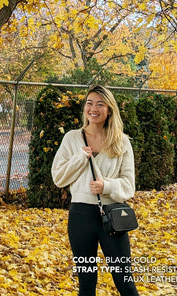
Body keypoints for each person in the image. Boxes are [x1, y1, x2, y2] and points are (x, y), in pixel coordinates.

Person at [51, 85, 139, 296]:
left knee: (124, 279)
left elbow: (129, 185)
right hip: (81, 217)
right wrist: (80, 158)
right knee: (86, 281)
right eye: (89, 103)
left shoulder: (122, 141)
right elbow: (58, 177)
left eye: (100, 104)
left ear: (109, 110)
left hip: (113, 217)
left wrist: (106, 186)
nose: (94, 108)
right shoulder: (72, 139)